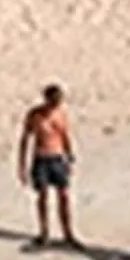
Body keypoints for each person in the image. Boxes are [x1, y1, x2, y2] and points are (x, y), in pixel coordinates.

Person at [17, 83, 79, 249]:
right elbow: (25, 139)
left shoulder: (61, 115)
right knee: (42, 196)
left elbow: (65, 136)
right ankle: (44, 232)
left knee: (64, 196)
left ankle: (68, 233)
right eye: (53, 101)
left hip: (58, 158)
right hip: (41, 159)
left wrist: (70, 156)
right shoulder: (35, 115)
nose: (55, 105)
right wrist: (22, 165)